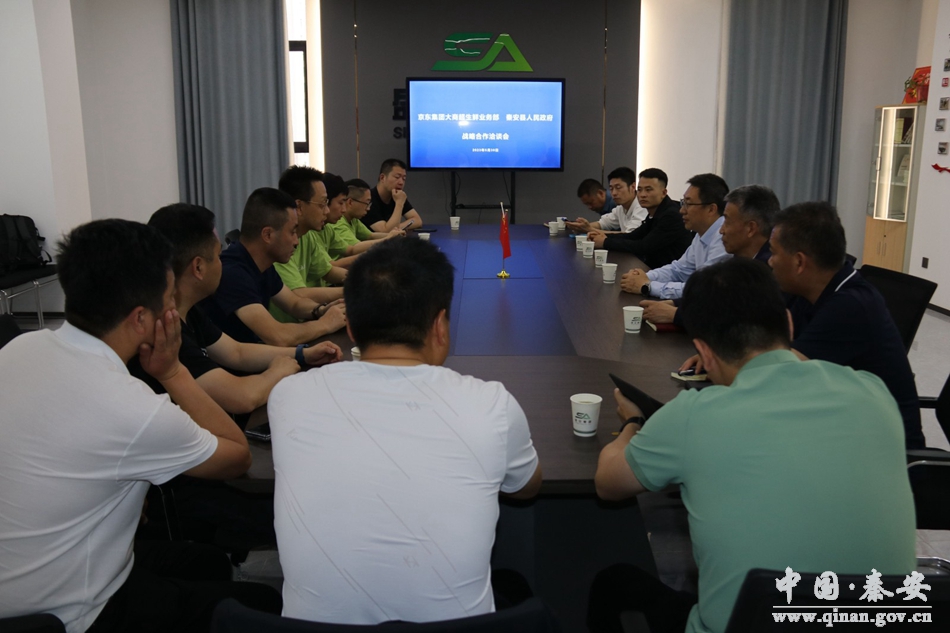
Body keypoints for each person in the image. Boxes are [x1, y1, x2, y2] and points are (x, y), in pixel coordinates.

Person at [588, 258, 916, 633]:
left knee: (614, 582)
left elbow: (608, 483)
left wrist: (631, 422)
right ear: (789, 325)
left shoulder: (695, 415)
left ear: (703, 352)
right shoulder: (873, 391)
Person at [0, 219, 281, 632]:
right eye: (169, 301)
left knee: (202, 562)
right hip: (73, 612)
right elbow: (237, 456)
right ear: (139, 319)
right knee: (262, 602)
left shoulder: (20, 347)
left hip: (21, 581)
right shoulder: (132, 407)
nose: (174, 313)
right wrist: (173, 372)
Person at [269, 238, 543, 625]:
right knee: (513, 584)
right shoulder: (491, 405)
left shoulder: (289, 397)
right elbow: (526, 487)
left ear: (350, 327)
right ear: (440, 326)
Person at [131, 203, 342, 414]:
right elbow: (242, 397)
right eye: (217, 255)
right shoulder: (165, 332)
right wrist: (278, 371)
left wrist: (303, 354)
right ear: (198, 267)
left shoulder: (189, 311)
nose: (221, 263)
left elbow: (236, 352)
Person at [768, 201, 925, 449]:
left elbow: (777, 375)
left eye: (774, 252)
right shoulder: (809, 291)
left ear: (799, 263)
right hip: (844, 428)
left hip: (885, 453)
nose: (769, 262)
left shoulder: (852, 306)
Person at [199, 187, 346, 345]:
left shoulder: (262, 264)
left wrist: (321, 310)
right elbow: (277, 336)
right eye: (292, 232)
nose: (296, 241)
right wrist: (325, 324)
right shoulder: (233, 273)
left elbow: (293, 303)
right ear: (267, 235)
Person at [640, 184, 779, 325]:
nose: (721, 230)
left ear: (750, 228)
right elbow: (715, 296)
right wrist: (674, 303)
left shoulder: (772, 269)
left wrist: (676, 315)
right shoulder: (740, 259)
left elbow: (734, 318)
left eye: (727, 221)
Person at [620, 173, 731, 299]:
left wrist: (648, 286)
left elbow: (703, 288)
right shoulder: (701, 234)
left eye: (688, 204)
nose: (682, 210)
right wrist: (645, 276)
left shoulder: (724, 238)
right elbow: (678, 270)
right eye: (683, 203)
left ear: (711, 209)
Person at [586, 168, 692, 268]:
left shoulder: (671, 215)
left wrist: (605, 242)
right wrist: (604, 237)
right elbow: (633, 236)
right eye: (640, 190)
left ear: (663, 193)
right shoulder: (655, 211)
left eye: (648, 190)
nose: (642, 195)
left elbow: (644, 247)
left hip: (671, 274)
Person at [329, 178, 405, 256]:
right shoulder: (338, 222)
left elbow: (370, 236)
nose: (368, 208)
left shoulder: (353, 219)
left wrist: (394, 235)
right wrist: (388, 238)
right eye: (366, 203)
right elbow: (355, 248)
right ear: (350, 202)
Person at [566, 167, 646, 234]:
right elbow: (602, 223)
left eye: (618, 187)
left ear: (632, 187)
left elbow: (630, 235)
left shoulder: (642, 206)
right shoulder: (620, 208)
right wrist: (582, 227)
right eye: (611, 188)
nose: (614, 193)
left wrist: (590, 229)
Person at [366, 158, 424, 232]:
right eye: (397, 177)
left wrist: (396, 227)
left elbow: (417, 221)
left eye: (404, 178)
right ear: (382, 178)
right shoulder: (368, 199)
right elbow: (385, 231)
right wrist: (399, 203)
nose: (401, 182)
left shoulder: (397, 196)